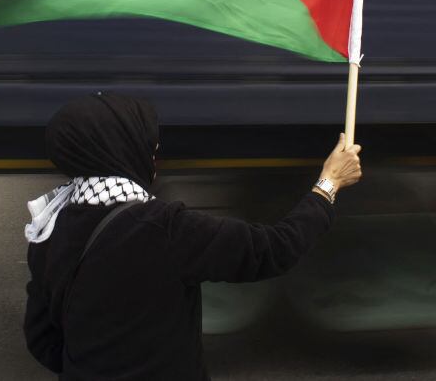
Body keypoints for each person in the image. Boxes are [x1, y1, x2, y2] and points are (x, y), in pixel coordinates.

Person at [23, 92, 362, 380]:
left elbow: (41, 339)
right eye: (146, 142)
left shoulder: (49, 229)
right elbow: (273, 250)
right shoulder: (165, 229)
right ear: (121, 147)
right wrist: (328, 184)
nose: (154, 150)